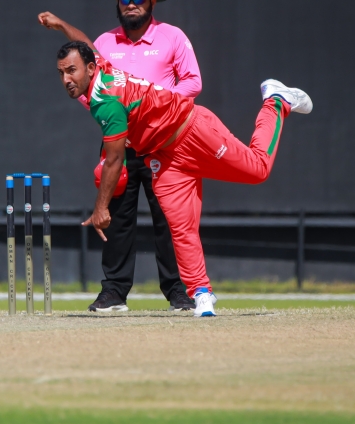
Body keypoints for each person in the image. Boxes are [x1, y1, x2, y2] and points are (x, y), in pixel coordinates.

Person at [55, 40, 312, 317]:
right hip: (166, 158)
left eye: (72, 71)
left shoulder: (106, 103)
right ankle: (201, 292)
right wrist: (61, 26)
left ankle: (276, 101)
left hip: (193, 131)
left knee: (258, 169)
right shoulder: (102, 68)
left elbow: (115, 160)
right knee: (180, 226)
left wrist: (101, 208)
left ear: (91, 68)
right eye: (62, 73)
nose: (67, 79)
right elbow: (84, 43)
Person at [38, 0, 201, 313]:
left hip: (162, 145)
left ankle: (178, 292)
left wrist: (156, 107)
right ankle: (114, 292)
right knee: (116, 219)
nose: (130, 4)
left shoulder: (172, 37)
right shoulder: (107, 42)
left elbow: (192, 83)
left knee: (170, 219)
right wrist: (60, 26)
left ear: (152, 2)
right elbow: (85, 57)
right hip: (120, 145)